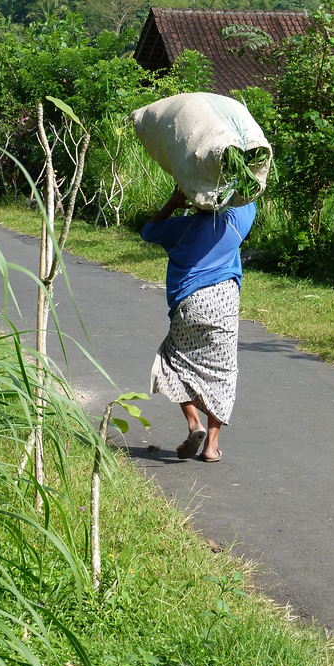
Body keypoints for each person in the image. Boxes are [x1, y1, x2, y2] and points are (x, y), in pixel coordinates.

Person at [140, 185, 256, 462]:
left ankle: (194, 423)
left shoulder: (180, 228)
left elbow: (148, 231)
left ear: (194, 201)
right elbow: (250, 196)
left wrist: (173, 202)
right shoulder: (234, 224)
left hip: (190, 305)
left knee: (172, 361)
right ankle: (211, 447)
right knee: (223, 373)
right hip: (224, 306)